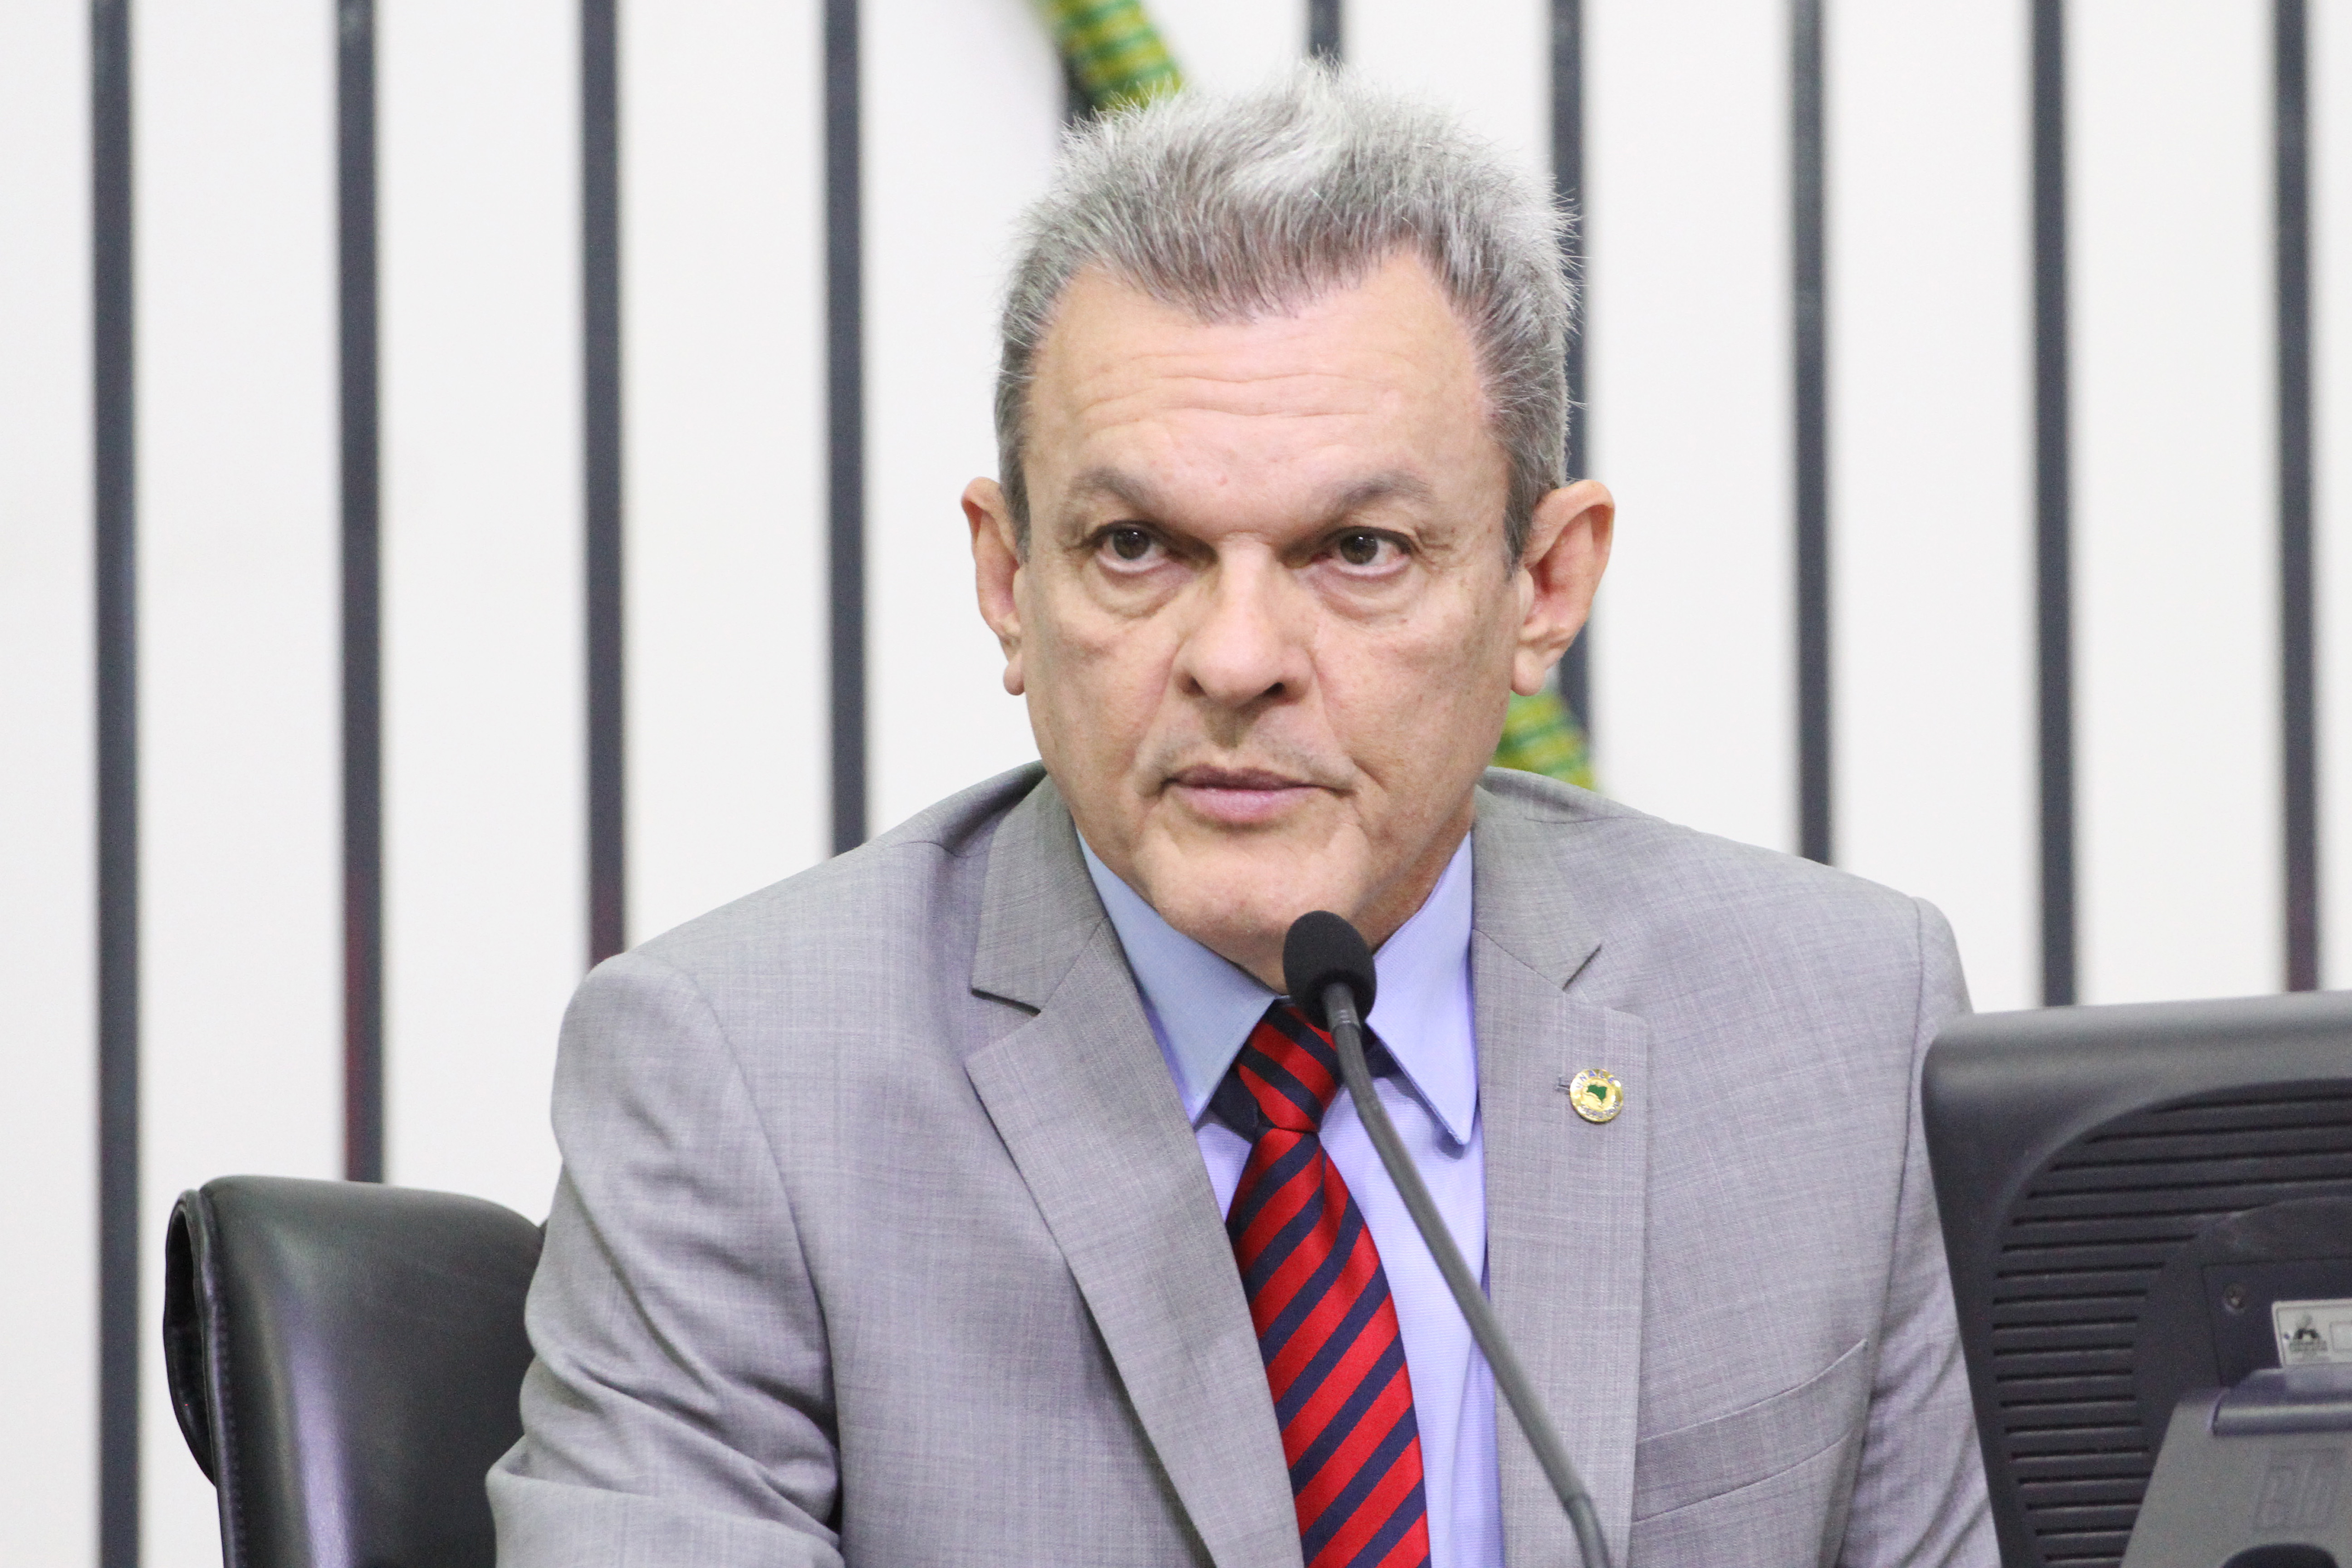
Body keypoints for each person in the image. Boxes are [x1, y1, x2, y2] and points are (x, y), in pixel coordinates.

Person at [490, 66, 1994, 1568]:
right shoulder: (742, 1085)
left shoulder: (1839, 1037)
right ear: (1009, 582)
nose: (1236, 658)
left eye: (1359, 549)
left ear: (1545, 587)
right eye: (1137, 546)